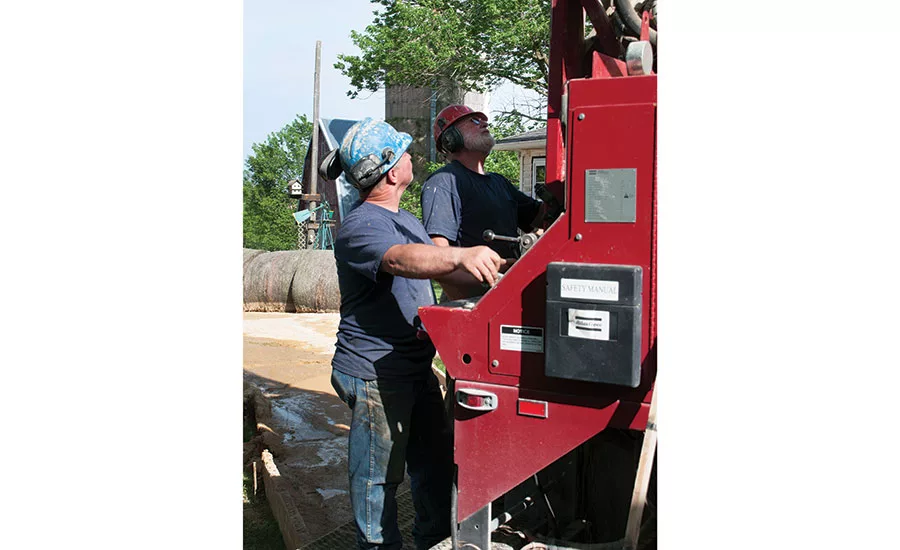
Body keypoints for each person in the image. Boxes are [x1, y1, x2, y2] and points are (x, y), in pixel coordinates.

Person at [318, 117, 505, 550]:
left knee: (434, 466)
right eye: (402, 152)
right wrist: (461, 255)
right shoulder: (362, 225)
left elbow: (438, 270)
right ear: (389, 170)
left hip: (413, 368)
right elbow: (401, 260)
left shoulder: (405, 220)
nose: (410, 157)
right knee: (377, 479)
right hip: (375, 374)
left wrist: (498, 281)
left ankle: (433, 540)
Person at [421, 104, 547, 301]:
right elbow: (438, 258)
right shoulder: (445, 180)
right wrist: (472, 305)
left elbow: (541, 217)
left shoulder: (499, 182)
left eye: (483, 120)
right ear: (451, 138)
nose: (484, 124)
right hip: (473, 300)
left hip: (506, 291)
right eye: (474, 121)